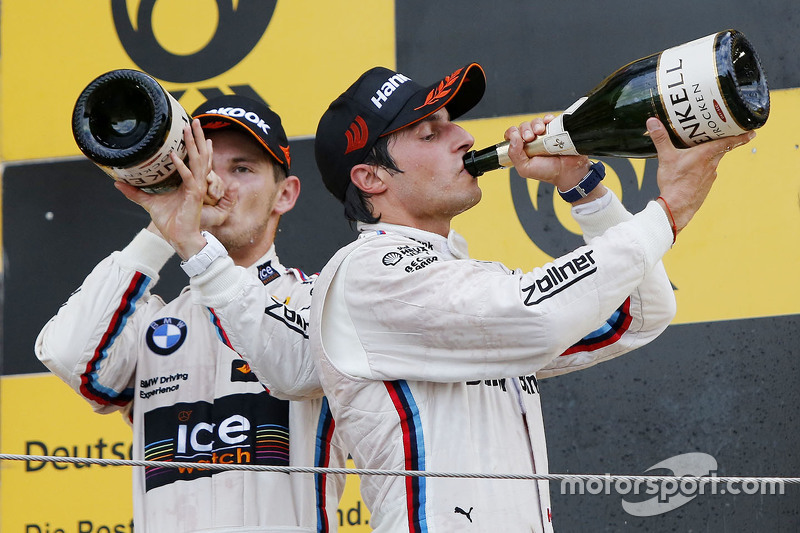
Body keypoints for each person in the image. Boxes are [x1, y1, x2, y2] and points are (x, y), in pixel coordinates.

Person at [309, 63, 754, 532]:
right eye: (428, 133)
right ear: (371, 178)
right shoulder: (368, 273)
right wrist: (668, 211)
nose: (462, 136)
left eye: (449, 121)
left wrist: (582, 187)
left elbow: (635, 314)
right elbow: (535, 314)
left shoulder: (458, 276)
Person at [36, 95, 346, 533]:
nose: (216, 184)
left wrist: (199, 252)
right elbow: (72, 359)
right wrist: (162, 229)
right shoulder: (152, 324)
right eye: (201, 168)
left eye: (242, 168)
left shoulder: (318, 300)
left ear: (285, 194)